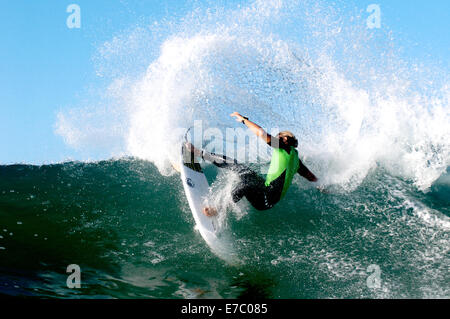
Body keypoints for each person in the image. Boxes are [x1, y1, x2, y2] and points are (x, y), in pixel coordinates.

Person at [186, 112, 318, 217]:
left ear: (284, 139)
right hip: (264, 188)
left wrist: (244, 120)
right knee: (238, 167)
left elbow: (261, 133)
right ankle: (198, 152)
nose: (275, 138)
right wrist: (321, 185)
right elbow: (310, 177)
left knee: (246, 185)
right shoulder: (297, 161)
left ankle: (218, 210)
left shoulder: (282, 147)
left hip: (266, 199)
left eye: (278, 137)